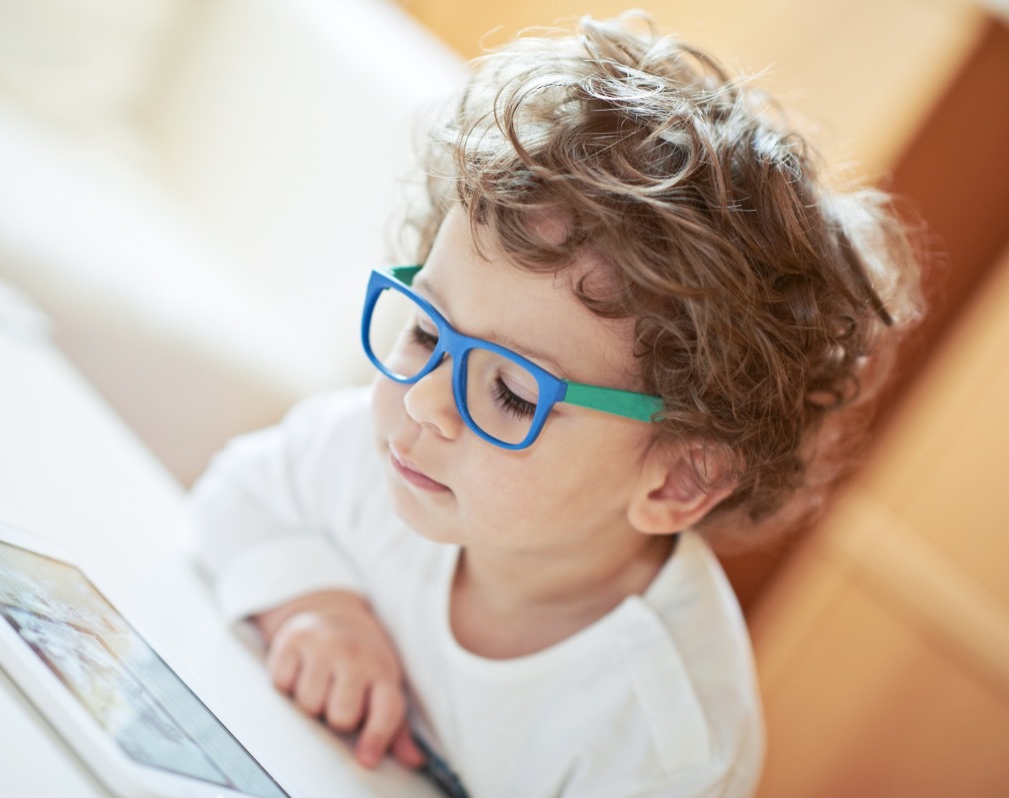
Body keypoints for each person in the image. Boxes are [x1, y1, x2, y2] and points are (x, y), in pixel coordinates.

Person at [190, 12, 922, 797]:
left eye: (509, 390)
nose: (428, 401)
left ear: (677, 480)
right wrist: (316, 604)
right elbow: (237, 495)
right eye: (426, 334)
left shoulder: (661, 744)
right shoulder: (390, 463)